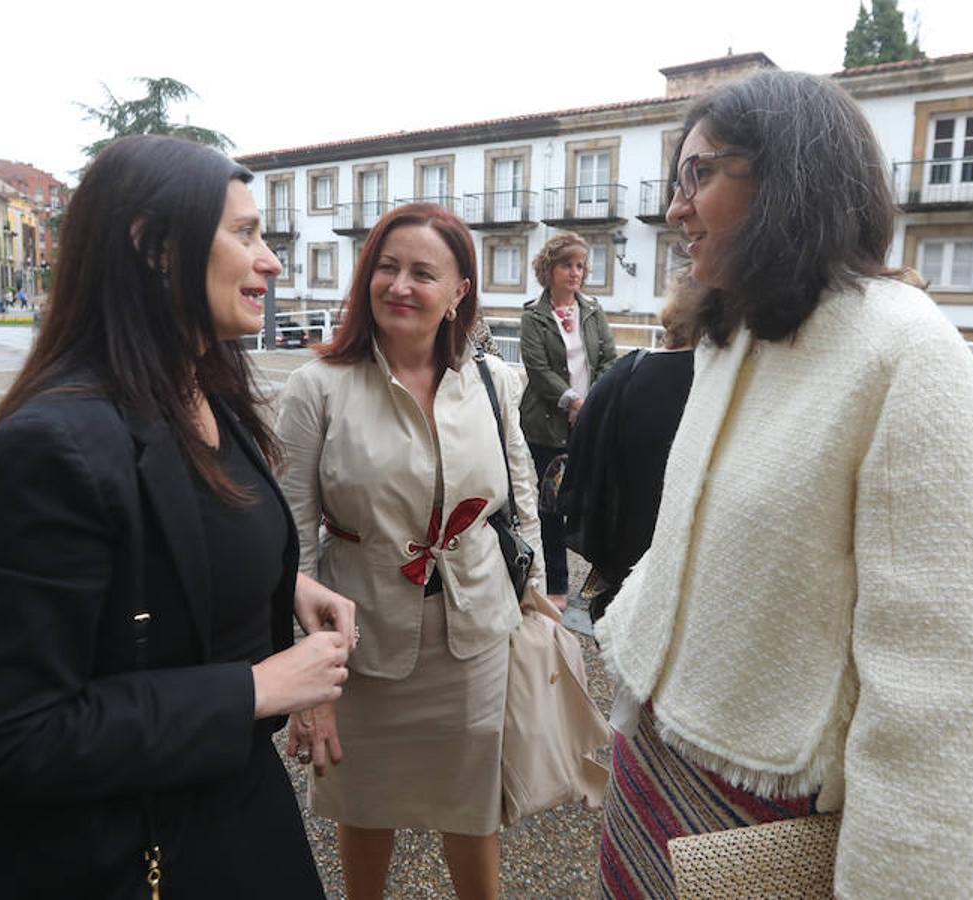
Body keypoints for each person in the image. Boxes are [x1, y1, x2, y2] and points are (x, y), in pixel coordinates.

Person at [594, 71, 973, 898]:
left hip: (767, 810)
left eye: (698, 174)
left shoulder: (906, 354)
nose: (675, 208)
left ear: (790, 174)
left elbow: (947, 687)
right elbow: (690, 540)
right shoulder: (735, 334)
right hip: (653, 771)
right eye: (673, 179)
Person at [0, 135, 355, 899]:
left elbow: (180, 548)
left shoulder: (203, 391)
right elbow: (5, 736)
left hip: (221, 815)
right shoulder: (54, 449)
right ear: (154, 247)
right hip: (120, 855)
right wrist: (255, 689)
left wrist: (278, 587)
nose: (271, 262)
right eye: (245, 234)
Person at [277, 202, 545, 900]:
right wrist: (306, 675)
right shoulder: (318, 388)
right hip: (359, 638)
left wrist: (535, 594)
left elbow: (519, 495)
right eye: (386, 268)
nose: (399, 285)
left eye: (423, 273)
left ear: (459, 292)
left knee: (472, 803)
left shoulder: (494, 381)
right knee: (363, 805)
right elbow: (292, 538)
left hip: (476, 631)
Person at [558, 286, 697, 623]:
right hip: (687, 550)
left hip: (627, 541)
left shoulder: (630, 369)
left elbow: (582, 450)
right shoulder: (712, 380)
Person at [517, 232, 617, 609]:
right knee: (552, 506)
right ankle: (557, 582)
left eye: (580, 266)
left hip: (589, 421)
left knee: (594, 501)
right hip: (547, 426)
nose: (575, 273)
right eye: (566, 265)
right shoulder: (533, 317)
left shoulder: (592, 311)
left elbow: (609, 357)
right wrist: (573, 401)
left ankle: (602, 581)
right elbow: (539, 371)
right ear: (549, 269)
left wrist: (592, 402)